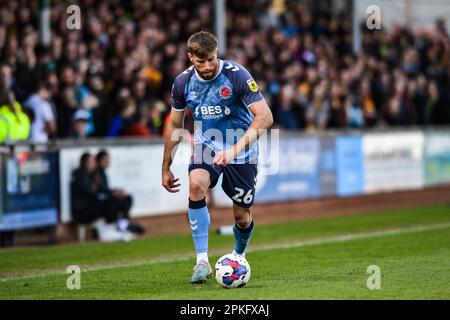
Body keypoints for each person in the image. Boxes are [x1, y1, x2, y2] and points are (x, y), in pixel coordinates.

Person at [162, 31, 273, 284]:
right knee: (195, 184)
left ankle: (238, 255)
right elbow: (174, 125)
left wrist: (233, 151)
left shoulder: (236, 75)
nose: (209, 66)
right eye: (202, 61)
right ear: (191, 57)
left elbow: (265, 117)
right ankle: (201, 261)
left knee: (241, 217)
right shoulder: (182, 83)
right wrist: (166, 166)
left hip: (242, 151)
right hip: (207, 145)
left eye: (212, 59)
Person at [70, 152, 133, 242]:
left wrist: (114, 192)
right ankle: (108, 230)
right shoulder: (80, 175)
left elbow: (102, 190)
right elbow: (91, 194)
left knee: (124, 198)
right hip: (82, 211)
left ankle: (120, 226)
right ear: (85, 163)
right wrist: (111, 194)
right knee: (112, 201)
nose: (95, 164)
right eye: (92, 162)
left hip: (90, 207)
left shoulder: (94, 175)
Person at [95, 150, 145, 235]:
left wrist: (115, 191)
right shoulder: (95, 174)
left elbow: (105, 190)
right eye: (106, 160)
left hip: (106, 199)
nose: (108, 162)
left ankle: (123, 222)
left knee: (127, 198)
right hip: (99, 204)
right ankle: (111, 225)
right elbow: (99, 192)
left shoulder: (103, 174)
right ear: (99, 161)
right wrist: (113, 193)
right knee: (115, 200)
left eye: (108, 159)